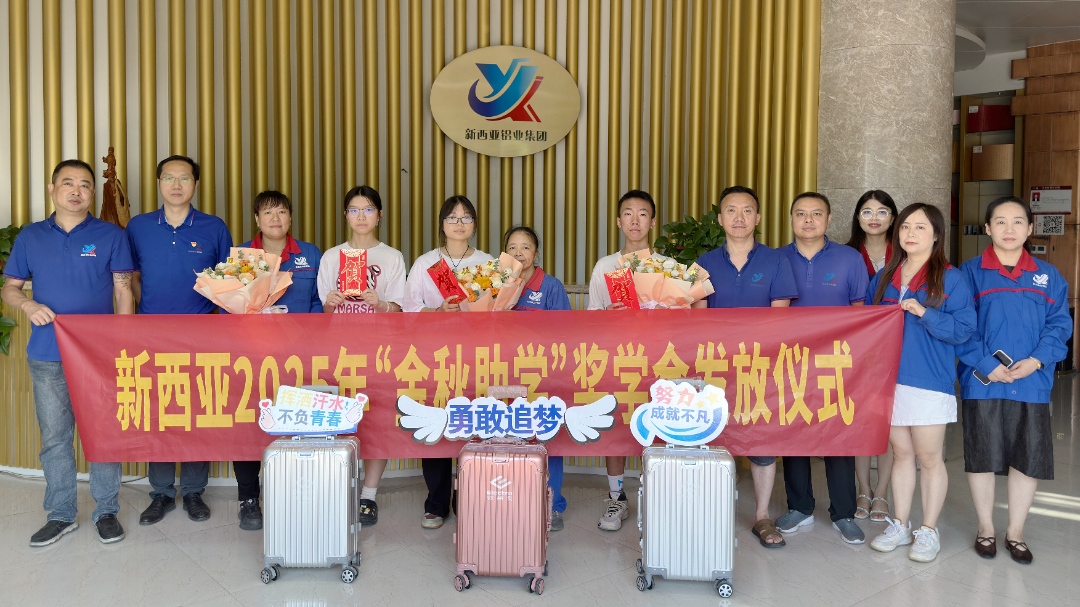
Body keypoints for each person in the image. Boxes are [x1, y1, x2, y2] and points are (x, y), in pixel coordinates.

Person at [2, 160, 134, 546]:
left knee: (103, 433)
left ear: (92, 193)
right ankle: (60, 514)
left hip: (99, 356)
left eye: (85, 185)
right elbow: (10, 288)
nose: (76, 191)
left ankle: (106, 510)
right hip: (47, 355)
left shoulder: (111, 235)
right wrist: (28, 305)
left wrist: (122, 344)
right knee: (56, 438)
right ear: (52, 188)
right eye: (68, 183)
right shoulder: (31, 237)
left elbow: (123, 290)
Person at [957, 196, 1070, 564]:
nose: (1009, 229)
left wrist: (1037, 360)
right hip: (983, 380)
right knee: (982, 455)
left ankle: (1016, 532)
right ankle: (986, 528)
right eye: (1000, 221)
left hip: (1031, 382)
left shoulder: (1048, 276)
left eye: (1018, 221)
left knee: (1027, 456)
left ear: (1030, 228)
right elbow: (961, 326)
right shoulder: (969, 273)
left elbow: (1059, 325)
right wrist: (984, 363)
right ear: (987, 228)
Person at [126, 155, 233, 526]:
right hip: (152, 337)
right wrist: (147, 308)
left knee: (197, 412)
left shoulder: (214, 227)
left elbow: (228, 282)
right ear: (158, 183)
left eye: (184, 178)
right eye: (169, 178)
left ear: (195, 185)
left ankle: (193, 491)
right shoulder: (138, 226)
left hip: (202, 337)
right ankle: (160, 492)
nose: (176, 185)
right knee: (158, 413)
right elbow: (130, 276)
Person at [867, 203, 976, 562]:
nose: (910, 234)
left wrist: (925, 312)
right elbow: (865, 324)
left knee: (929, 458)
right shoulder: (884, 277)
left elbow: (963, 330)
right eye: (905, 227)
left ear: (936, 235)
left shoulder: (951, 278)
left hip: (928, 380)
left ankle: (928, 530)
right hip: (888, 380)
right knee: (901, 454)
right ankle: (900, 525)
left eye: (920, 227)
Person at [691, 185, 798, 548]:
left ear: (758, 218)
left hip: (760, 368)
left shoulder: (776, 262)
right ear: (720, 219)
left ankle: (762, 516)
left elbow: (779, 320)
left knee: (762, 441)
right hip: (715, 368)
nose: (739, 218)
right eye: (731, 211)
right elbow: (698, 321)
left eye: (747, 210)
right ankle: (709, 512)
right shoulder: (704, 262)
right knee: (711, 437)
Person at [229, 190, 323, 531]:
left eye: (281, 211)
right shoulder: (242, 257)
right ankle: (248, 498)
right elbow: (227, 307)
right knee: (247, 424)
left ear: (290, 217)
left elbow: (318, 303)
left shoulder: (310, 254)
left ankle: (296, 494)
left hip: (300, 356)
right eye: (267, 212)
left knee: (297, 423)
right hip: (252, 356)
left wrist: (307, 338)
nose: (275, 218)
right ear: (257, 219)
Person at [777, 192, 868, 544]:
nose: (808, 220)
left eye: (816, 214)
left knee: (838, 436)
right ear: (791, 219)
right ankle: (800, 507)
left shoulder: (850, 259)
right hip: (790, 362)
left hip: (837, 362)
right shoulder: (777, 259)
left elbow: (861, 313)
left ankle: (844, 513)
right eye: (801, 213)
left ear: (829, 220)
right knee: (794, 434)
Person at [317, 185, 406, 527]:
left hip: (379, 351)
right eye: (354, 210)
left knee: (378, 419)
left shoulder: (392, 257)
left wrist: (380, 304)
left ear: (379, 215)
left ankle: (368, 495)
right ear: (346, 215)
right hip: (339, 351)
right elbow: (322, 312)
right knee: (338, 418)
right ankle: (339, 488)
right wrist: (331, 303)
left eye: (368, 209)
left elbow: (400, 310)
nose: (361, 216)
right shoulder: (332, 257)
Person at [403, 195, 493, 529]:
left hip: (475, 356)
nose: (459, 223)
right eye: (452, 217)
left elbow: (497, 310)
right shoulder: (425, 262)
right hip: (434, 357)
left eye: (466, 217)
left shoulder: (486, 262)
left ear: (474, 224)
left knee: (474, 423)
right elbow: (408, 310)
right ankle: (437, 502)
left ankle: (471, 498)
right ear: (442, 224)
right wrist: (437, 311)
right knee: (437, 424)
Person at [586, 190, 663, 531]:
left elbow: (682, 320)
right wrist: (609, 315)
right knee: (614, 428)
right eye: (628, 213)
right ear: (618, 222)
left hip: (657, 362)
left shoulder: (666, 267)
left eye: (642, 213)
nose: (635, 220)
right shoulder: (605, 266)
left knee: (654, 427)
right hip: (615, 360)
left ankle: (654, 498)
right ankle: (617, 498)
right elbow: (591, 318)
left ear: (652, 222)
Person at [505, 225, 572, 531]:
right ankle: (513, 499)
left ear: (536, 253)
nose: (519, 253)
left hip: (543, 377)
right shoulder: (497, 284)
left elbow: (564, 334)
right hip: (504, 377)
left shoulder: (551, 287)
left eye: (526, 247)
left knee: (547, 437)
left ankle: (552, 504)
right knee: (508, 436)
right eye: (512, 247)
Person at [846, 190, 899, 522]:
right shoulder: (847, 255)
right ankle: (863, 489)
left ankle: (882, 491)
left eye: (882, 211)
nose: (874, 218)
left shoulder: (906, 253)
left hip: (896, 347)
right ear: (858, 217)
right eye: (867, 211)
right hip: (857, 350)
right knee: (861, 420)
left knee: (889, 422)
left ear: (893, 218)